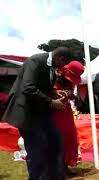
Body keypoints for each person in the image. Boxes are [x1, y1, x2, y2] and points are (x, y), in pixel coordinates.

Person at [1, 47, 72, 179]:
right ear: (60, 58)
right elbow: (28, 88)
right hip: (27, 114)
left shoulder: (50, 66)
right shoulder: (36, 61)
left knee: (55, 143)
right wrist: (51, 101)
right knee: (37, 152)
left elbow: (40, 87)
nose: (62, 67)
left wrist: (54, 92)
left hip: (40, 113)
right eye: (63, 64)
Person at [51, 61, 84, 170]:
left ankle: (67, 164)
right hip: (56, 111)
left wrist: (72, 96)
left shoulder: (69, 81)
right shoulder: (54, 76)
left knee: (70, 137)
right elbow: (50, 93)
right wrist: (58, 93)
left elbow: (70, 93)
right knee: (59, 138)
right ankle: (59, 166)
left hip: (66, 111)